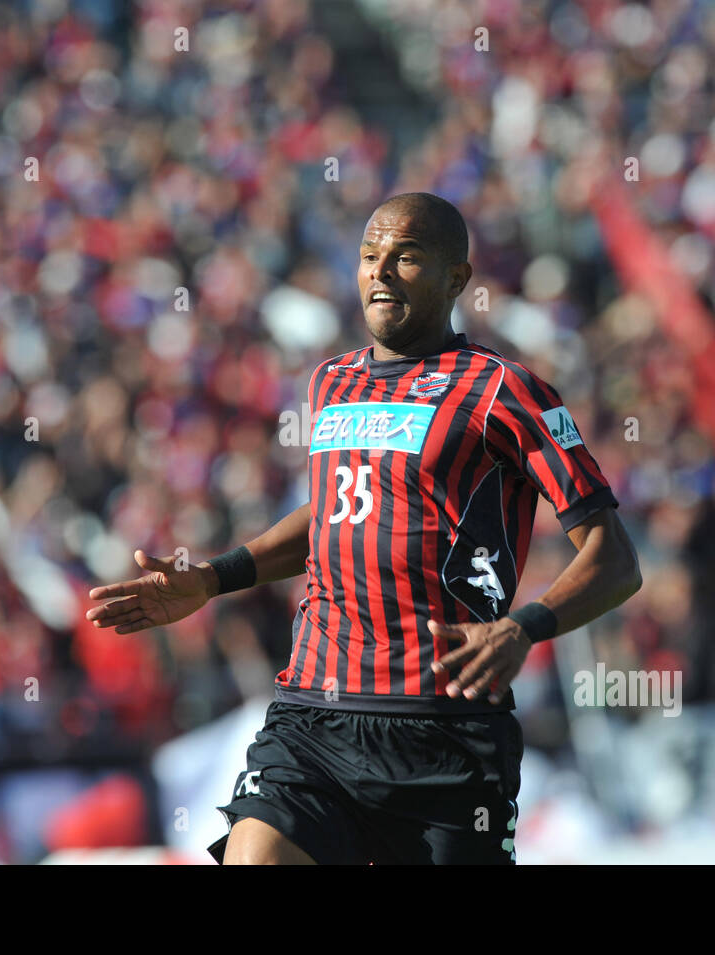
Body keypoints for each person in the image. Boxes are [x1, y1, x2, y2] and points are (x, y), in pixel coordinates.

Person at [87, 193, 642, 864]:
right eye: (370, 256)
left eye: (407, 257)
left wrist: (523, 626)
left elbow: (614, 558)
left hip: (445, 731)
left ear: (456, 279)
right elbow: (330, 513)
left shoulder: (504, 391)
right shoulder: (331, 381)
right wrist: (213, 576)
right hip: (313, 719)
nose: (381, 272)